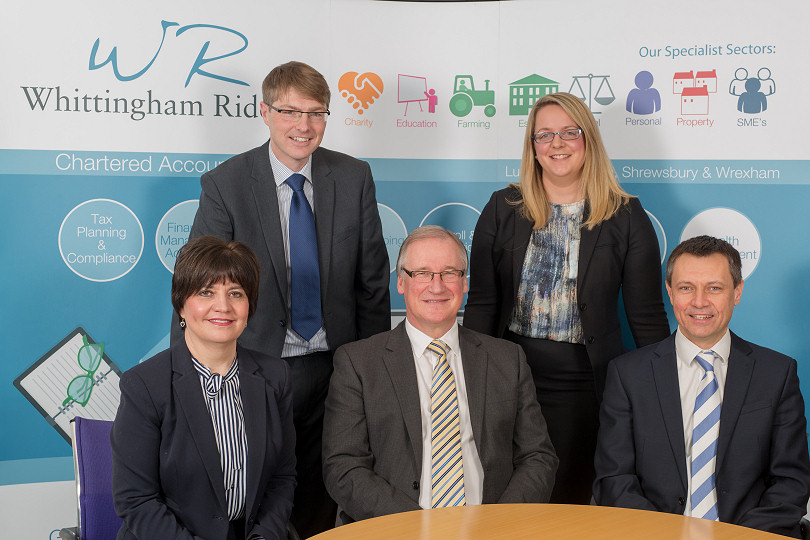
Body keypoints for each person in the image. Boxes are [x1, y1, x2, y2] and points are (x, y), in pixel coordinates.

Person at [174, 61, 391, 536]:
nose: (304, 126)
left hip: (339, 368)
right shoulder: (227, 183)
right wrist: (183, 376)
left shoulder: (353, 177)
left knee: (327, 487)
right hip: (255, 367)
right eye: (290, 111)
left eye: (316, 114)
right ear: (264, 111)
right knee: (260, 491)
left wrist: (376, 369)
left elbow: (372, 283)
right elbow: (198, 282)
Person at [463, 91, 670, 504]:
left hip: (585, 385)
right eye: (544, 135)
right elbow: (483, 304)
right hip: (510, 379)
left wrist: (666, 393)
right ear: (533, 147)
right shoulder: (503, 207)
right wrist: (467, 381)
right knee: (508, 499)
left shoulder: (625, 215)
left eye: (568, 133)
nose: (556, 144)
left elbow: (645, 317)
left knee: (569, 503)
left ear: (587, 139)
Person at [322, 226, 558, 523]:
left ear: (464, 282)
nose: (437, 286)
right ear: (401, 282)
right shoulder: (357, 363)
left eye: (449, 273)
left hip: (491, 529)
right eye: (422, 273)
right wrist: (417, 528)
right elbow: (342, 467)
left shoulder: (508, 359)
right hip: (396, 530)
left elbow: (538, 457)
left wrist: (500, 523)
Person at [593, 235, 810, 537]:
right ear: (670, 292)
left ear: (737, 292)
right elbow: (613, 479)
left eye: (714, 288)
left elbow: (791, 482)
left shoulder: (777, 373)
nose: (699, 302)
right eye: (686, 288)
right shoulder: (628, 374)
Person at [112, 236, 295, 540]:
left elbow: (282, 478)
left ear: (249, 306)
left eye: (235, 293)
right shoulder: (144, 385)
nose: (222, 306)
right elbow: (136, 500)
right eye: (206, 292)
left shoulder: (276, 377)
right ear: (181, 305)